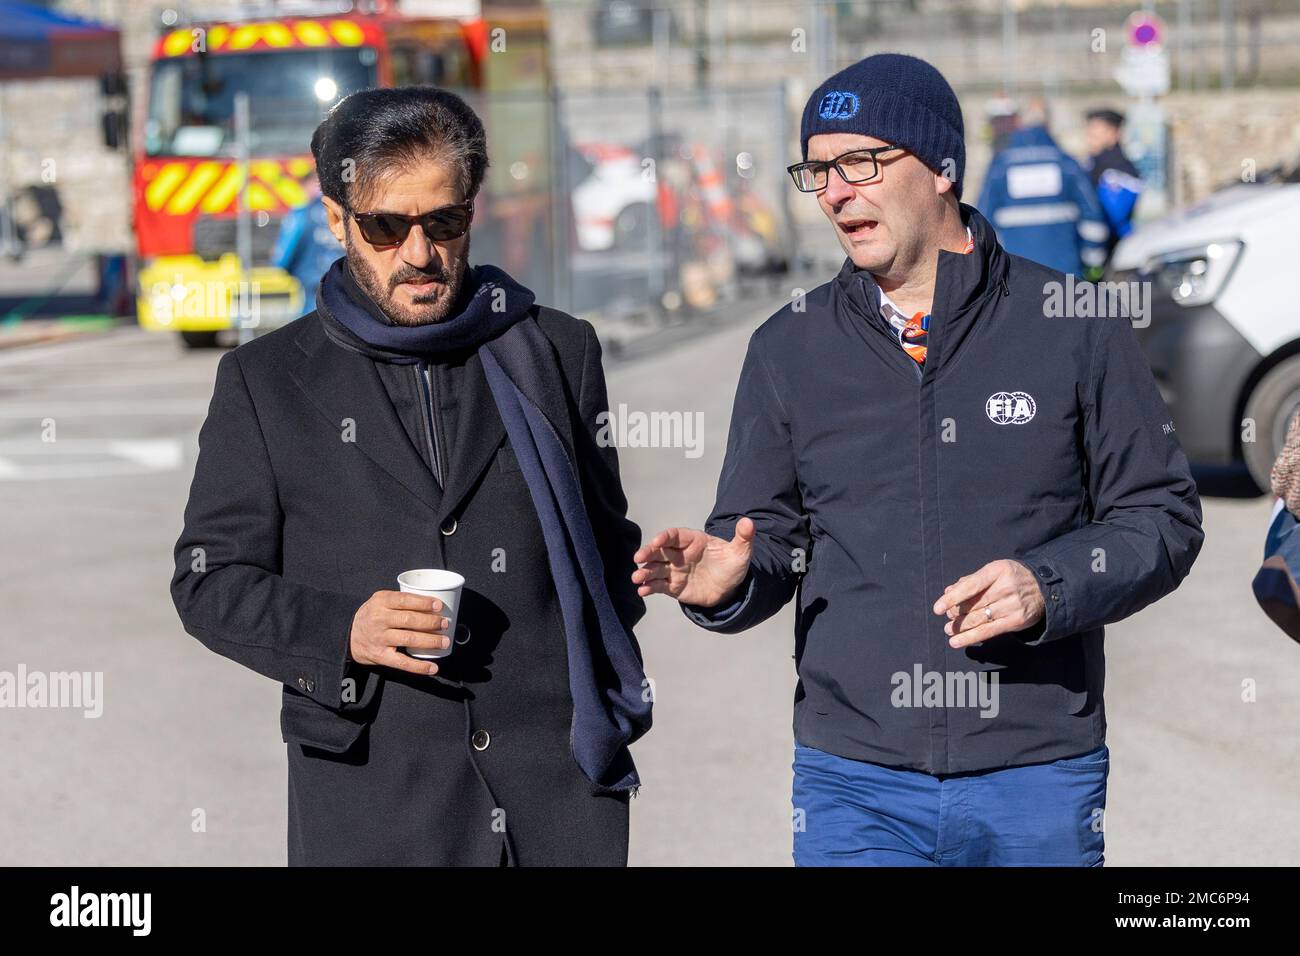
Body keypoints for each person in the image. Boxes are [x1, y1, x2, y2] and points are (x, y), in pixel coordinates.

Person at [633, 54, 1204, 866]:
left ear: (941, 168)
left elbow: (1163, 518)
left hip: (1035, 769)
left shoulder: (1075, 323)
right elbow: (765, 540)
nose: (834, 191)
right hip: (853, 782)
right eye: (819, 170)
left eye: (861, 161)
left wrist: (1049, 584)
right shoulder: (788, 347)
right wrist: (725, 582)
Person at [171, 87, 651, 866]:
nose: (419, 254)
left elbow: (605, 550)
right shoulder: (265, 381)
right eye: (386, 227)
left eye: (444, 223)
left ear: (472, 210)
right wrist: (342, 632)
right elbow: (207, 580)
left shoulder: (559, 351)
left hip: (556, 801)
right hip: (376, 807)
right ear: (336, 219)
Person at [976, 98, 1109, 277]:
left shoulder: (1000, 166)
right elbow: (1093, 217)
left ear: (1021, 124)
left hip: (1015, 278)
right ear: (1048, 125)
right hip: (1065, 276)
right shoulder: (1066, 164)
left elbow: (983, 220)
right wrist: (1093, 262)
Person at [1083, 108, 1144, 264]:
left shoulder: (1121, 172)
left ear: (1113, 133)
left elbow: (1113, 216)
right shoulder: (1092, 165)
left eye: (1095, 132)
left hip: (1114, 251)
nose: (1090, 137)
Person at [271, 172, 338, 313]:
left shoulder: (302, 214)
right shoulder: (346, 212)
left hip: (313, 292)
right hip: (347, 292)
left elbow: (282, 259)